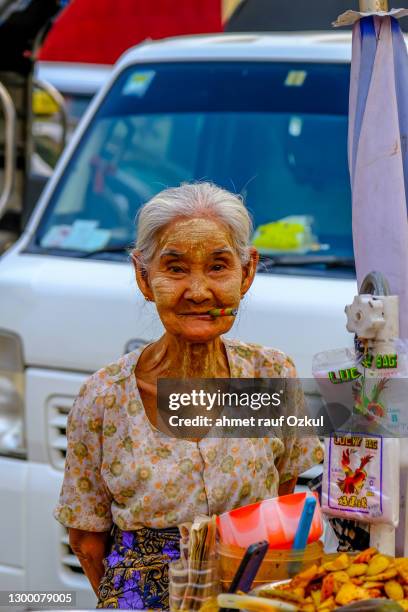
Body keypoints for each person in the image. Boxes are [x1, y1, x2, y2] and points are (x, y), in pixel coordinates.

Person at [54, 182, 323, 609]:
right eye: (175, 269)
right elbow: (87, 542)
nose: (198, 291)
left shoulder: (269, 375)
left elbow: (278, 502)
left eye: (218, 267)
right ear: (144, 277)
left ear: (246, 272)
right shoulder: (104, 397)